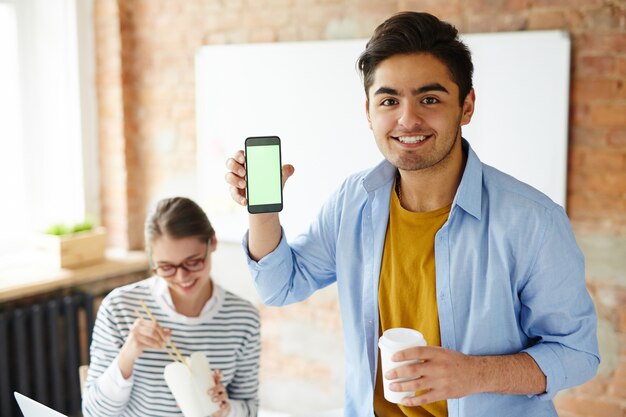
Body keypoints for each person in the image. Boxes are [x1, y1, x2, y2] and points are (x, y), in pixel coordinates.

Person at [225, 11, 599, 417]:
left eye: (430, 99)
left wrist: (474, 375)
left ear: (467, 105)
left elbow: (577, 353)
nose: (408, 119)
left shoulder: (533, 222)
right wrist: (261, 209)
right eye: (389, 101)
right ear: (368, 112)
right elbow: (281, 286)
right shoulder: (354, 200)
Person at [82, 197, 260, 417]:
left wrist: (227, 409)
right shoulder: (119, 308)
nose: (182, 277)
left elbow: (250, 409)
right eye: (166, 267)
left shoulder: (243, 318)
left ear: (212, 242)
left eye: (193, 262)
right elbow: (93, 412)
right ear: (151, 258)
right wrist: (128, 354)